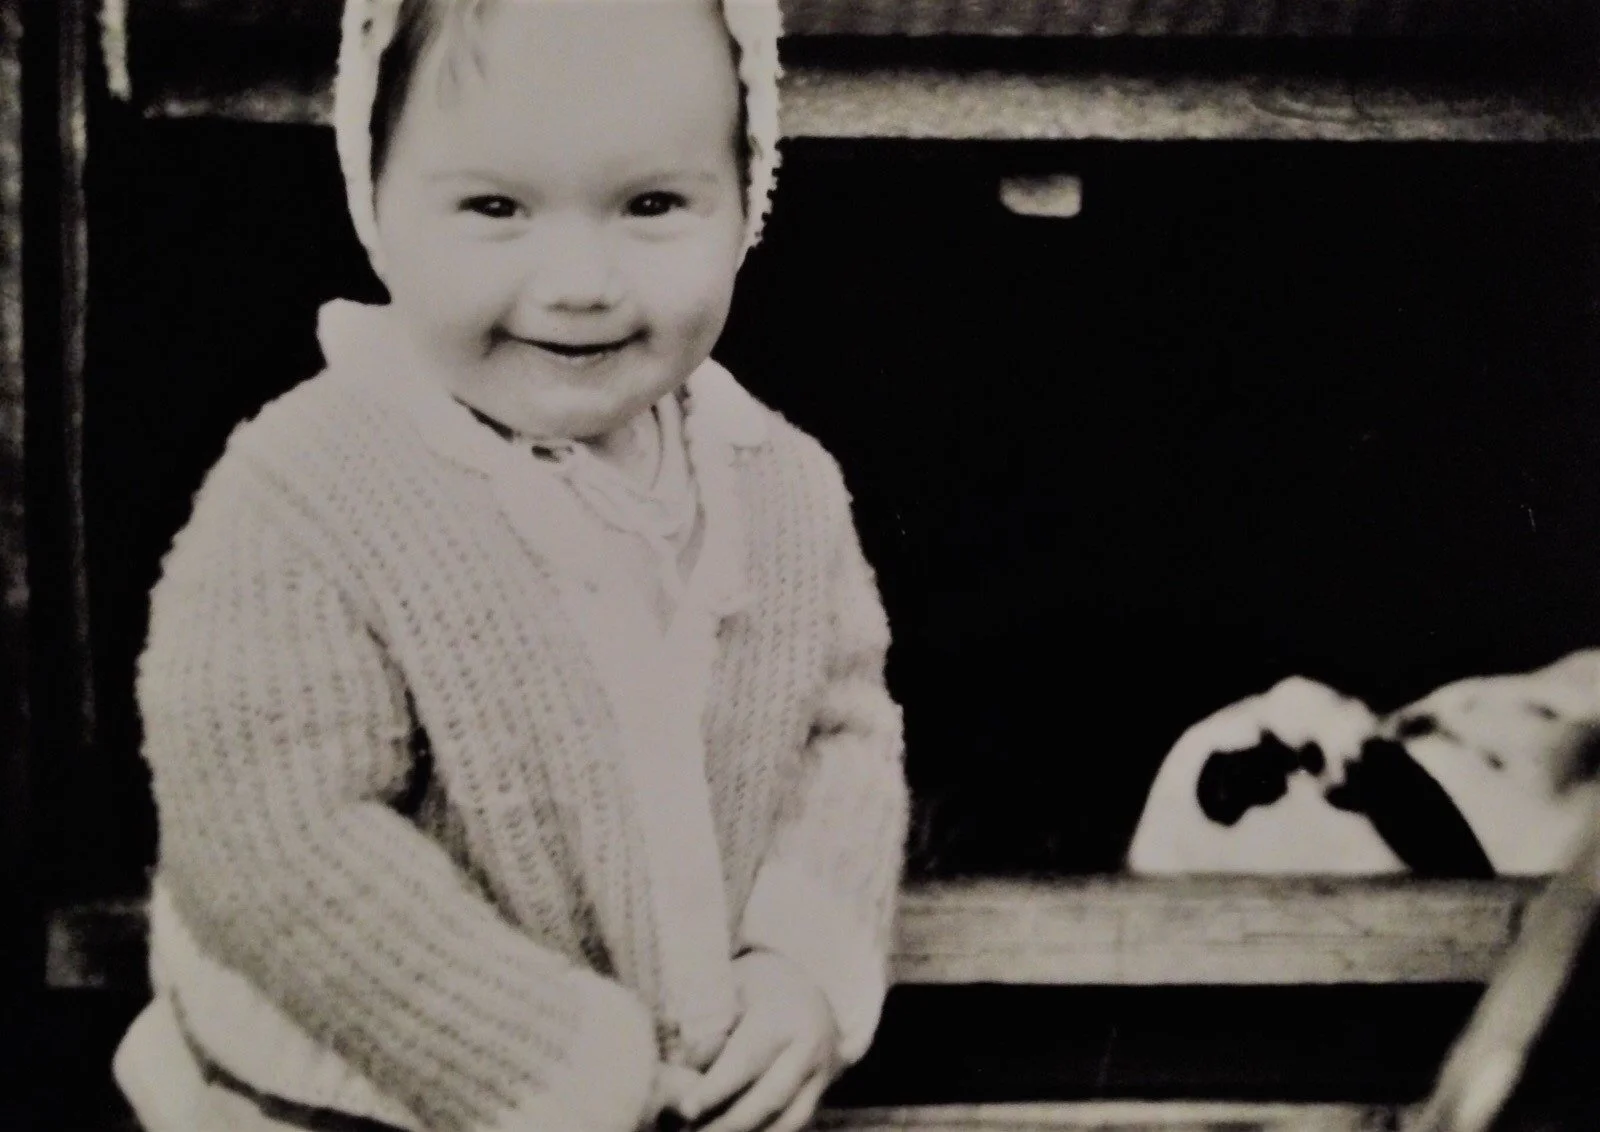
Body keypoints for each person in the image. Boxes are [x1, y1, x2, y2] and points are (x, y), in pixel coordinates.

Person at [111, 2, 910, 1130]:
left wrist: (801, 964)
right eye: (495, 208)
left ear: (745, 204)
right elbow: (277, 838)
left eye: (651, 205)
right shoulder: (311, 490)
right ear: (376, 204)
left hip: (680, 1096)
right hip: (340, 1102)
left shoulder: (778, 487)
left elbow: (841, 741)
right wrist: (552, 1059)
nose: (579, 279)